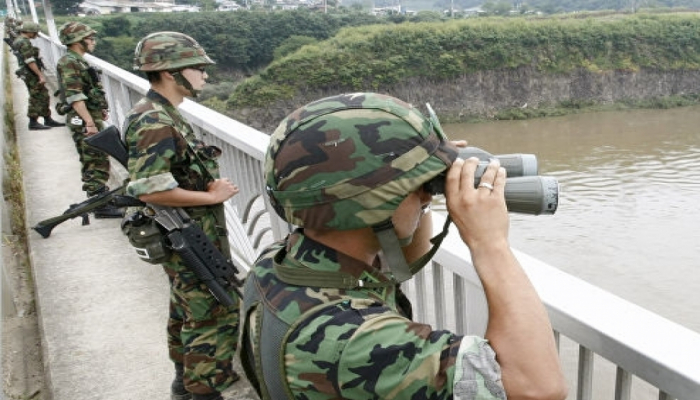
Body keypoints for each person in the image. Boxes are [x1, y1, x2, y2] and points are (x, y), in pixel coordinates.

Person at [240, 92, 568, 400]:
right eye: (417, 188)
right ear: (370, 205)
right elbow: (537, 388)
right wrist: (490, 243)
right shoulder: (354, 341)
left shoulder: (280, 262)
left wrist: (427, 170)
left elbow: (402, 256)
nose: (426, 194)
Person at [124, 31, 241, 400]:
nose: (205, 75)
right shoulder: (154, 121)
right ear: (171, 73)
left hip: (183, 231)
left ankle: (183, 383)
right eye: (197, 69)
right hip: (186, 232)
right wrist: (211, 196)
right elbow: (150, 189)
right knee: (215, 313)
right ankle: (203, 392)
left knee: (186, 305)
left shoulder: (162, 112)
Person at [56, 22, 121, 217]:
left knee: (96, 158)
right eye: (90, 38)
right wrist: (89, 122)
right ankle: (99, 205)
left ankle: (99, 199)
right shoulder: (70, 62)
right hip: (84, 121)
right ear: (78, 41)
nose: (93, 42)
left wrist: (98, 109)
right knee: (94, 159)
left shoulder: (78, 61)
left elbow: (86, 91)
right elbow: (75, 96)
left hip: (87, 117)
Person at [12, 21, 65, 130]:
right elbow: (30, 60)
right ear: (30, 31)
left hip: (27, 73)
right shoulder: (24, 42)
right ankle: (33, 122)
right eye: (35, 32)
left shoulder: (19, 40)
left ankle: (47, 118)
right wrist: (40, 75)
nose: (36, 35)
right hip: (30, 74)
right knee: (36, 96)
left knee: (43, 95)